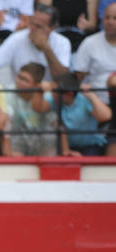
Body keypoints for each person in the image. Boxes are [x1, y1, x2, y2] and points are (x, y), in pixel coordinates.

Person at [73, 2, 116, 153]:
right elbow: (77, 78)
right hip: (95, 104)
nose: (110, 22)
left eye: (115, 18)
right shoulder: (90, 43)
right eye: (107, 18)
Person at [0, 3, 70, 83]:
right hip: (21, 92)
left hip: (49, 94)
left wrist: (47, 49)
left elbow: (63, 80)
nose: (32, 29)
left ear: (52, 28)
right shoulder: (17, 38)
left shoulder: (62, 43)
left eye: (38, 26)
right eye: (31, 23)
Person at [1, 61, 57, 154]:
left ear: (36, 85)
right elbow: (6, 128)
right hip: (16, 138)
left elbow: (54, 122)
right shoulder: (7, 93)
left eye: (25, 80)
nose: (18, 81)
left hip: (40, 139)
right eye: (19, 77)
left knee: (50, 137)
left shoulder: (45, 93)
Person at [56, 71, 112, 154]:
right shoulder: (56, 101)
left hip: (91, 146)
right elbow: (40, 108)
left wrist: (92, 95)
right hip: (68, 147)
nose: (55, 94)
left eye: (59, 92)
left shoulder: (84, 100)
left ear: (70, 93)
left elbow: (106, 116)